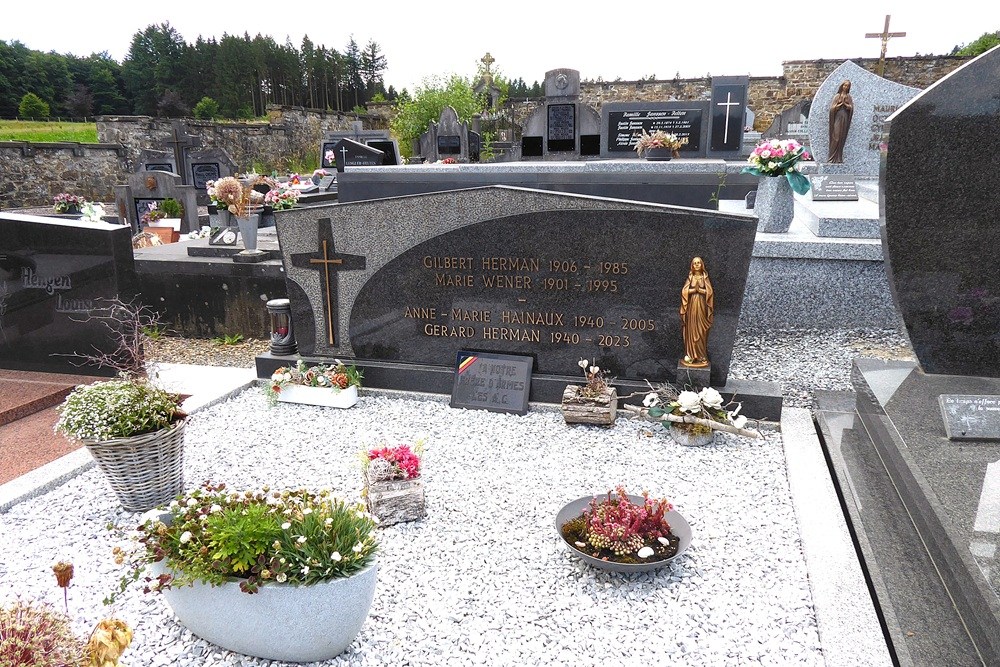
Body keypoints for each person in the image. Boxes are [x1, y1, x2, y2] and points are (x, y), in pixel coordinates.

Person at [679, 256, 714, 367]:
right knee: (691, 328)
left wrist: (702, 291)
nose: (697, 265)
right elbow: (684, 291)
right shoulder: (691, 277)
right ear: (692, 266)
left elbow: (710, 292)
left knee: (701, 330)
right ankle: (690, 354)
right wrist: (694, 290)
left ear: (702, 264)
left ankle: (701, 355)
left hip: (702, 306)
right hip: (692, 306)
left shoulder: (704, 277)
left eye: (699, 263)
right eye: (695, 263)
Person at [828, 80, 854, 163]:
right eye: (844, 85)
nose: (846, 87)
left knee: (842, 137)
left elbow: (851, 108)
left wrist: (846, 105)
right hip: (838, 117)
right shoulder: (837, 96)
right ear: (842, 86)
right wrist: (839, 105)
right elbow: (832, 108)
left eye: (847, 86)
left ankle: (839, 157)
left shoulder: (848, 97)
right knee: (836, 137)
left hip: (845, 117)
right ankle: (832, 157)